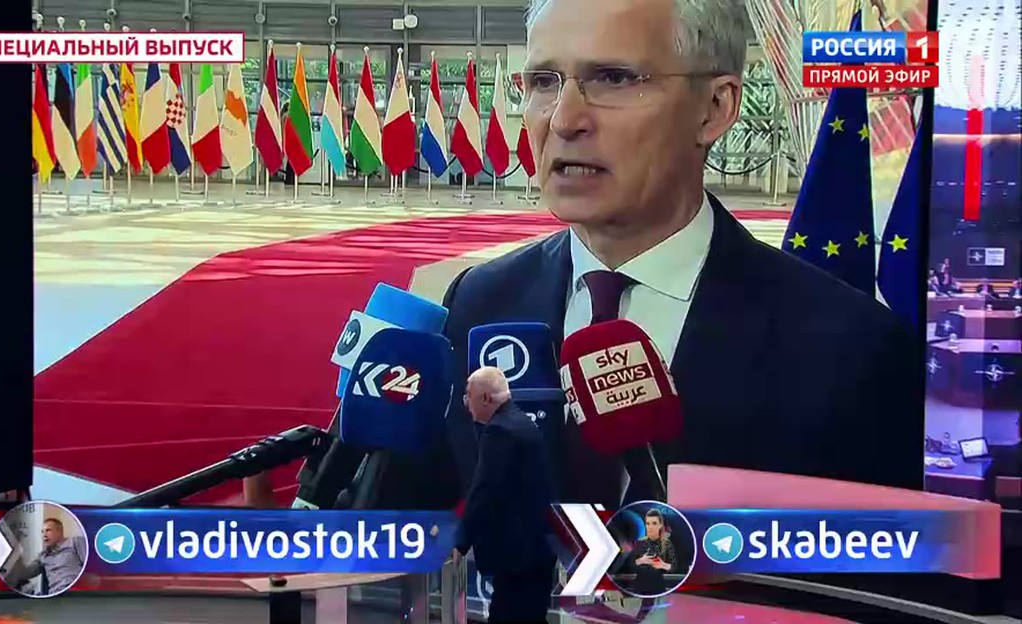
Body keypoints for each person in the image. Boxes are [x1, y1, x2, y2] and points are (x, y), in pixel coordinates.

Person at [368, 0, 924, 512]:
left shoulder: (854, 349)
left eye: (613, 78)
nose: (563, 119)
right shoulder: (479, 303)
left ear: (714, 108)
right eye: (543, 81)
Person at [454, 367, 557, 623]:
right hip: (534, 553)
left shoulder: (500, 431)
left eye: (468, 396)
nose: (466, 403)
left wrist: (460, 542)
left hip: (519, 558)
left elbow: (485, 490)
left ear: (485, 398)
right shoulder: (520, 422)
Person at [5, 518, 86, 596]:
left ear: (59, 531)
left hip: (75, 592)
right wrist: (16, 548)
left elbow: (89, 566)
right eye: (42, 532)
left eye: (48, 530)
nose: (44, 535)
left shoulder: (75, 542)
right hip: (55, 595)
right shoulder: (43, 555)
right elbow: (25, 573)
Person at [618, 509, 676, 596]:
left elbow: (673, 567)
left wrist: (663, 565)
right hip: (640, 584)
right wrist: (641, 561)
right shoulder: (640, 542)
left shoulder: (667, 546)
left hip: (657, 585)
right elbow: (630, 564)